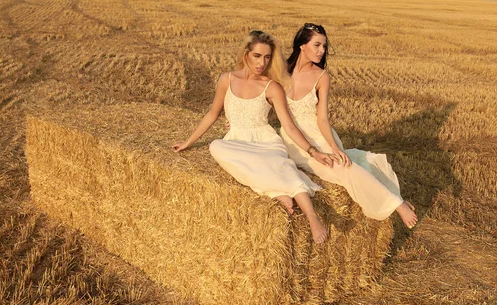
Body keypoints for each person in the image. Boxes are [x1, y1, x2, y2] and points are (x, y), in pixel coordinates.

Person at [173, 30, 334, 244]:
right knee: (216, 146)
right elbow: (212, 114)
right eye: (257, 56)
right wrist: (188, 141)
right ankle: (275, 192)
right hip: (237, 141)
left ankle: (313, 218)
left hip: (265, 142)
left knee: (281, 166)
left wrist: (314, 152)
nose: (262, 63)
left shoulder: (271, 86)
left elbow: (289, 126)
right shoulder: (226, 80)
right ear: (245, 54)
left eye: (267, 57)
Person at [280, 23, 418, 229]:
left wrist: (334, 148)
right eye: (317, 45)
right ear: (302, 45)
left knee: (344, 165)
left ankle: (395, 204)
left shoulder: (321, 76)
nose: (322, 51)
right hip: (293, 141)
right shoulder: (281, 71)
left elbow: (322, 119)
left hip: (319, 135)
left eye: (324, 46)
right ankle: (395, 200)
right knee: (348, 167)